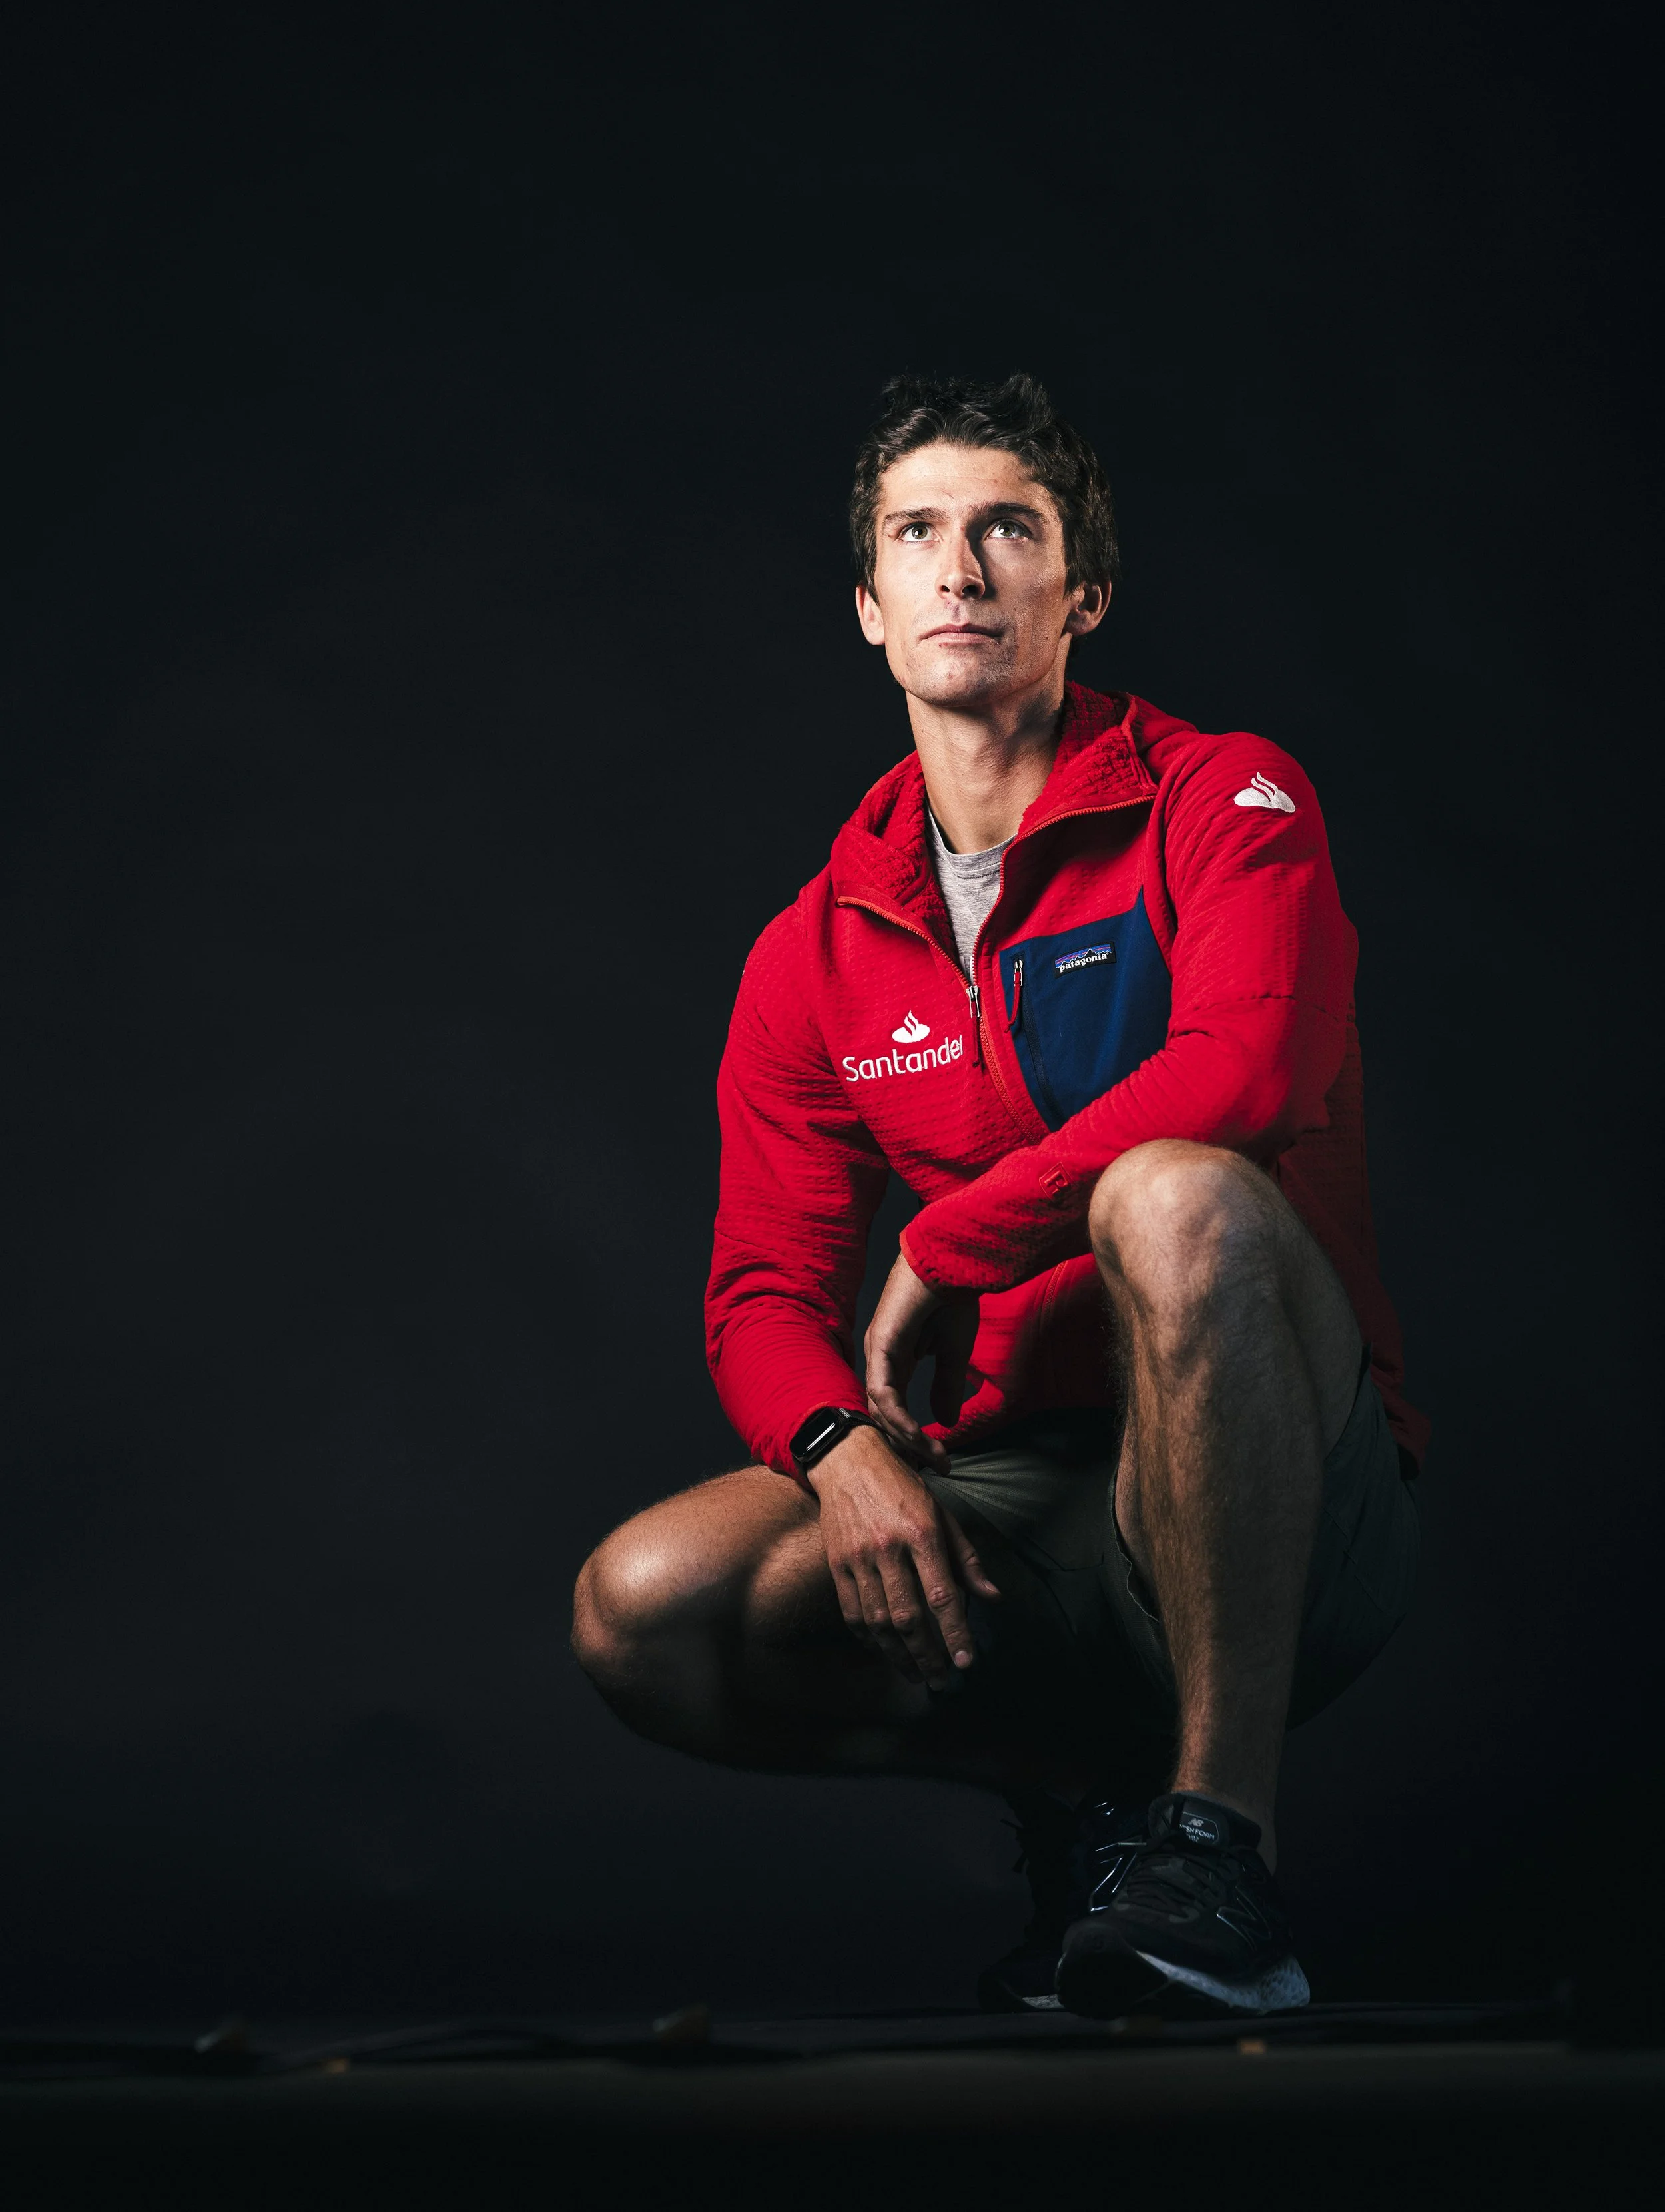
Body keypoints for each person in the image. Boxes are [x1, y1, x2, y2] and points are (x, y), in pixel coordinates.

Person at [571, 373, 1423, 2018]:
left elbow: (1248, 1074)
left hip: (1297, 1489)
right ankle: (1088, 1812)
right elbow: (760, 1289)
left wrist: (954, 1238)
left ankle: (1218, 1855)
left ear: (1079, 591)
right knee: (646, 1606)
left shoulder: (1221, 799)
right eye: (916, 534)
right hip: (1022, 1498)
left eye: (1006, 531)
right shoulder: (813, 947)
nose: (959, 568)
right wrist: (840, 1452)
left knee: (1173, 1197)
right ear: (869, 607)